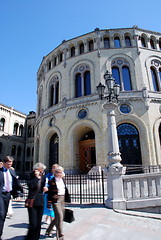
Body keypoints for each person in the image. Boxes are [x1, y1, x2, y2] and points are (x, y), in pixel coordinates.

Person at [0, 156, 23, 240]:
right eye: (8, 163)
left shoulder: (12, 172)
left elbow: (15, 184)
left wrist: (18, 194)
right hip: (0, 194)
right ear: (4, 163)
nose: (10, 165)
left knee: (3, 215)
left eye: (11, 163)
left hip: (7, 195)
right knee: (1, 214)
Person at [45, 166, 70, 239]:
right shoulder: (52, 181)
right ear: (55, 173)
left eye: (61, 172)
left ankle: (49, 230)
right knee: (60, 217)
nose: (59, 174)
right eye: (58, 172)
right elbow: (49, 193)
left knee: (57, 217)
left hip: (62, 199)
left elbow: (65, 189)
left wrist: (67, 199)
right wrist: (49, 202)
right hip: (55, 200)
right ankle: (60, 236)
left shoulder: (62, 179)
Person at [25, 162, 47, 240]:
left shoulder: (43, 177)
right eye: (41, 170)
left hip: (40, 201)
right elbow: (30, 186)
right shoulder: (29, 176)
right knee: (33, 224)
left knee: (38, 225)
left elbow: (43, 188)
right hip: (32, 202)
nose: (42, 172)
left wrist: (46, 189)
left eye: (42, 171)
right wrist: (36, 177)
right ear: (36, 170)